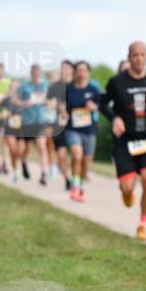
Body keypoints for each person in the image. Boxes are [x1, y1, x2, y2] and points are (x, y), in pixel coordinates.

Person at [100, 41, 146, 241]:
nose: (139, 58)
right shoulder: (117, 82)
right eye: (135, 55)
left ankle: (143, 224)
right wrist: (115, 118)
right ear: (129, 57)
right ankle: (127, 191)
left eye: (142, 54)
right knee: (128, 188)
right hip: (125, 141)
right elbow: (103, 104)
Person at [65, 61, 101, 202]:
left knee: (86, 161)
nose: (81, 73)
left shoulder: (93, 90)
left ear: (88, 72)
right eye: (78, 70)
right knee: (76, 155)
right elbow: (62, 107)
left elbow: (101, 107)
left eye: (83, 70)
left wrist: (94, 107)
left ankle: (81, 186)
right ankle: (75, 185)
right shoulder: (68, 90)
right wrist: (63, 112)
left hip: (89, 129)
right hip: (72, 128)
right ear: (75, 72)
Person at [12, 65, 51, 184]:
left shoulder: (45, 85)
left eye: (38, 73)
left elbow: (51, 100)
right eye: (34, 73)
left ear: (40, 73)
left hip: (40, 121)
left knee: (41, 146)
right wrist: (24, 103)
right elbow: (14, 100)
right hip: (26, 122)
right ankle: (23, 162)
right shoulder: (24, 86)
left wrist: (47, 102)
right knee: (23, 149)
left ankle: (44, 174)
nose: (36, 75)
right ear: (31, 73)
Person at [47, 60, 75, 190]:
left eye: (67, 68)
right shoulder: (55, 86)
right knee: (62, 155)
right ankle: (67, 180)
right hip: (59, 124)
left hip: (76, 125)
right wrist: (54, 105)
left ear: (72, 70)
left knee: (77, 154)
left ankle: (77, 178)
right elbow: (48, 102)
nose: (64, 71)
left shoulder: (77, 85)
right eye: (62, 68)